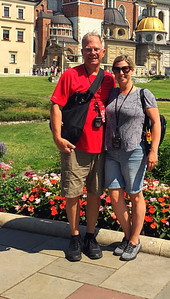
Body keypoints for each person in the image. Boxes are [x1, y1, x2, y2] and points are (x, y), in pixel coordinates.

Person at [50, 32, 115, 262]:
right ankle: (75, 236)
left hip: (101, 147)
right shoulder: (70, 75)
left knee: (95, 193)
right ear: (82, 51)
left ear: (103, 52)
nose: (92, 52)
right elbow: (56, 106)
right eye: (88, 49)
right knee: (73, 193)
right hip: (75, 145)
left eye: (96, 49)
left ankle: (90, 235)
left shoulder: (109, 79)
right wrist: (57, 137)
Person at [105, 54, 161, 261]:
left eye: (125, 69)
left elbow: (155, 123)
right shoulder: (111, 94)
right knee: (115, 196)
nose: (121, 73)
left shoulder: (143, 94)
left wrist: (153, 150)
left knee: (135, 195)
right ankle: (128, 236)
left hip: (134, 151)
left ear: (133, 70)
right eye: (117, 69)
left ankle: (135, 240)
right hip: (111, 151)